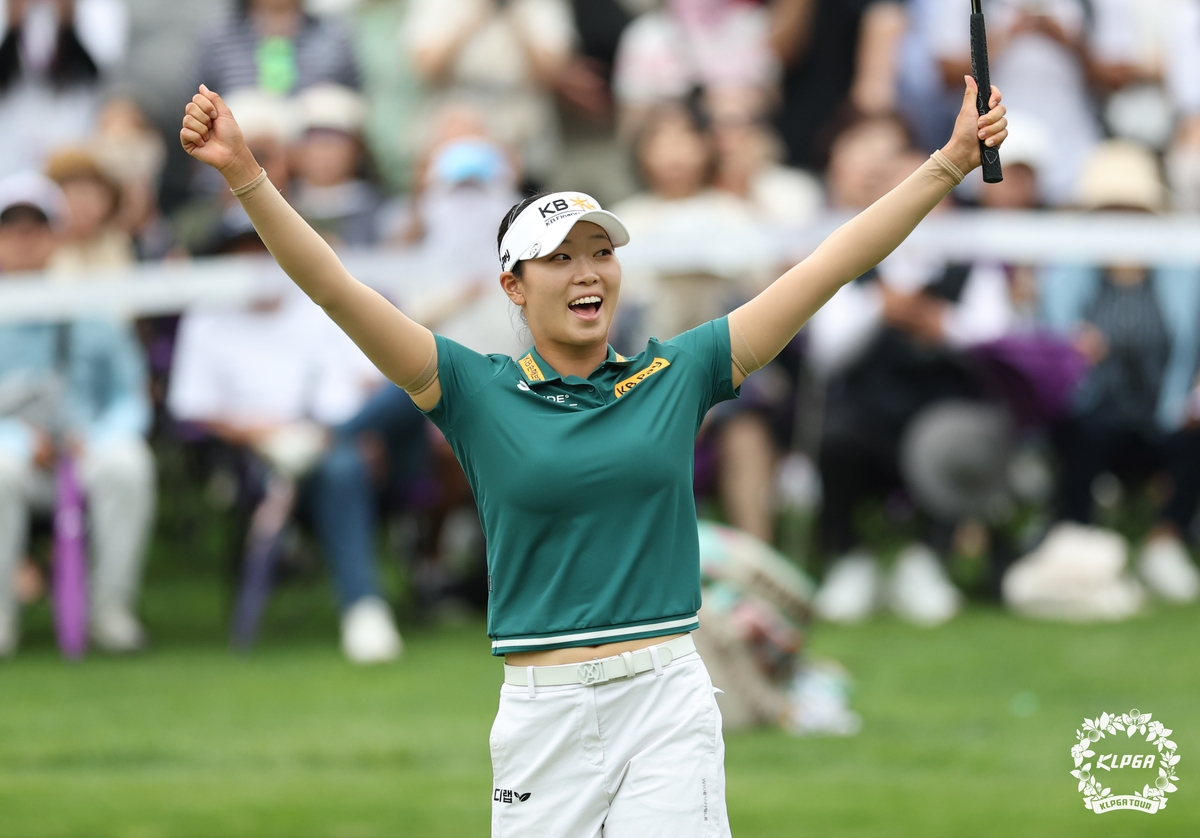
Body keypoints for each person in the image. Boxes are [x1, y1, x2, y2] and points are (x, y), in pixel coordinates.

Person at [178, 73, 1006, 835]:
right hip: (542, 715)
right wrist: (247, 175)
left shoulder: (677, 374)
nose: (589, 273)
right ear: (513, 285)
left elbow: (832, 264)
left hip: (666, 699)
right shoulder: (473, 390)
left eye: (601, 252)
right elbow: (334, 288)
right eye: (561, 257)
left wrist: (948, 163)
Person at [167, 219, 405, 662]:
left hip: (343, 433)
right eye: (242, 255)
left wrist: (352, 431)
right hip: (264, 456)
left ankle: (365, 608)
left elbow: (370, 377)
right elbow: (194, 409)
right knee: (341, 466)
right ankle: (363, 607)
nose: (256, 264)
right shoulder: (206, 319)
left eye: (263, 251)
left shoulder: (320, 300)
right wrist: (263, 434)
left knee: (407, 387)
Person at [0, 171, 154, 655]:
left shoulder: (90, 309)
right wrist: (19, 439)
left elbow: (129, 395)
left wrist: (94, 437)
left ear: (57, 236)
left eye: (36, 226)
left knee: (127, 464)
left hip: (83, 451)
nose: (24, 238)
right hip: (15, 456)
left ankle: (110, 610)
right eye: (11, 227)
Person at [1040, 140, 1200, 604]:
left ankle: (1166, 541)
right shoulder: (1064, 276)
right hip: (1093, 416)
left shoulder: (1186, 277)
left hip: (1164, 418)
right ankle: (1078, 543)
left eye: (1131, 212)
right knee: (1078, 431)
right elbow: (1045, 358)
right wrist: (1071, 354)